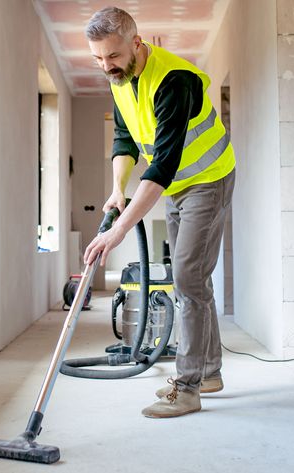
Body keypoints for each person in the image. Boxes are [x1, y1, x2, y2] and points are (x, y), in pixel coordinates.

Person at [82, 6, 236, 419]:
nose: (105, 65)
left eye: (112, 56)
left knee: (188, 277)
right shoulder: (120, 78)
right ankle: (209, 371)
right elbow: (124, 138)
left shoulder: (174, 80)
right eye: (97, 58)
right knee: (192, 279)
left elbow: (162, 167)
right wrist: (117, 190)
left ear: (136, 43)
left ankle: (187, 388)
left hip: (207, 178)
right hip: (179, 186)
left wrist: (116, 236)